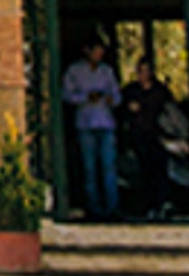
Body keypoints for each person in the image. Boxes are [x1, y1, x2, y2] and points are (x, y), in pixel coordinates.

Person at [61, 40, 121, 220]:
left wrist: (111, 99)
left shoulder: (107, 72)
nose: (99, 55)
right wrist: (86, 97)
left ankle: (112, 208)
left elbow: (117, 95)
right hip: (86, 125)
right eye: (96, 51)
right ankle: (93, 209)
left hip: (106, 124)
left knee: (109, 167)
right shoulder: (74, 71)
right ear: (87, 50)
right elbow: (65, 95)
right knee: (89, 169)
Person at [121, 59, 172, 219]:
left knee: (160, 169)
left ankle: (163, 202)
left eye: (145, 71)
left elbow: (170, 112)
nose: (142, 75)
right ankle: (147, 205)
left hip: (158, 137)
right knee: (144, 171)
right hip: (138, 137)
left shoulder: (160, 91)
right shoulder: (131, 91)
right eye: (140, 71)